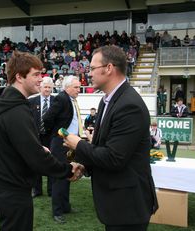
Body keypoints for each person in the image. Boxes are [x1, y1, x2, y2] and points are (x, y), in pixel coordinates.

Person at [63, 46, 158, 231]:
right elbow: (103, 146)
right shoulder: (107, 99)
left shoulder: (129, 105)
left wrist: (79, 144)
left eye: (92, 68)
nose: (88, 73)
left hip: (128, 206)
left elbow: (114, 158)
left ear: (108, 68)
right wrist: (84, 165)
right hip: (116, 203)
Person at [0, 51, 83, 231]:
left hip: (7, 183)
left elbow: (20, 145)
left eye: (42, 74)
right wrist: (67, 170)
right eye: (36, 74)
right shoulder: (16, 110)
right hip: (12, 187)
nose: (41, 79)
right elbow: (35, 158)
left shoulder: (12, 104)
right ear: (19, 77)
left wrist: (37, 147)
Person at [43, 75, 83, 224]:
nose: (79, 90)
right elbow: (47, 118)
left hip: (70, 144)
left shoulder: (71, 99)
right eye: (76, 87)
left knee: (69, 174)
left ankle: (65, 206)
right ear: (67, 87)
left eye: (79, 87)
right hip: (61, 143)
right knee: (60, 177)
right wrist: (56, 134)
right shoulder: (61, 98)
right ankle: (57, 211)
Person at [29, 77, 54, 198]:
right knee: (36, 163)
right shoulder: (32, 101)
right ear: (41, 87)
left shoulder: (56, 101)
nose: (47, 89)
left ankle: (51, 190)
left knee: (50, 163)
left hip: (51, 137)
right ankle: (37, 189)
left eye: (49, 87)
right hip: (36, 137)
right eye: (45, 87)